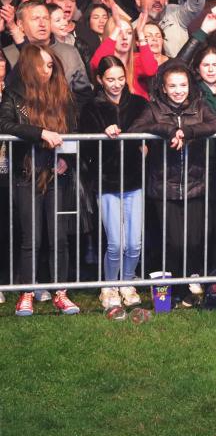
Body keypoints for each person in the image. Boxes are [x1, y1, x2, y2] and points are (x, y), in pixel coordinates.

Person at [128, 61, 216, 306]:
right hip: (164, 186)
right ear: (163, 87)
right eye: (172, 86)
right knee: (173, 242)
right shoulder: (153, 108)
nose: (178, 90)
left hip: (195, 184)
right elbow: (134, 129)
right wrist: (167, 129)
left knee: (193, 241)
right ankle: (174, 290)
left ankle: (185, 284)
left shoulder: (199, 105)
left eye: (182, 85)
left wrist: (188, 132)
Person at [0, 44, 80, 316]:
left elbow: (73, 130)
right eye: (43, 65)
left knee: (59, 237)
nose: (48, 70)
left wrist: (67, 159)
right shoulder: (14, 93)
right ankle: (27, 293)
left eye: (51, 65)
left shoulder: (61, 93)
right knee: (30, 238)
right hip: (27, 174)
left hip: (57, 175)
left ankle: (61, 293)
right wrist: (40, 133)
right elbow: (5, 124)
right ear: (29, 66)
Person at [78, 55, 148, 309]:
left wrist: (145, 145)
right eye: (110, 79)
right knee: (116, 243)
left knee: (134, 243)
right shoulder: (91, 107)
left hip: (134, 181)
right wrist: (101, 134)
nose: (116, 84)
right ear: (100, 80)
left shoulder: (139, 103)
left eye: (120, 78)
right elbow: (84, 146)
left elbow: (152, 128)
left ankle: (127, 282)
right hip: (106, 182)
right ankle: (108, 286)